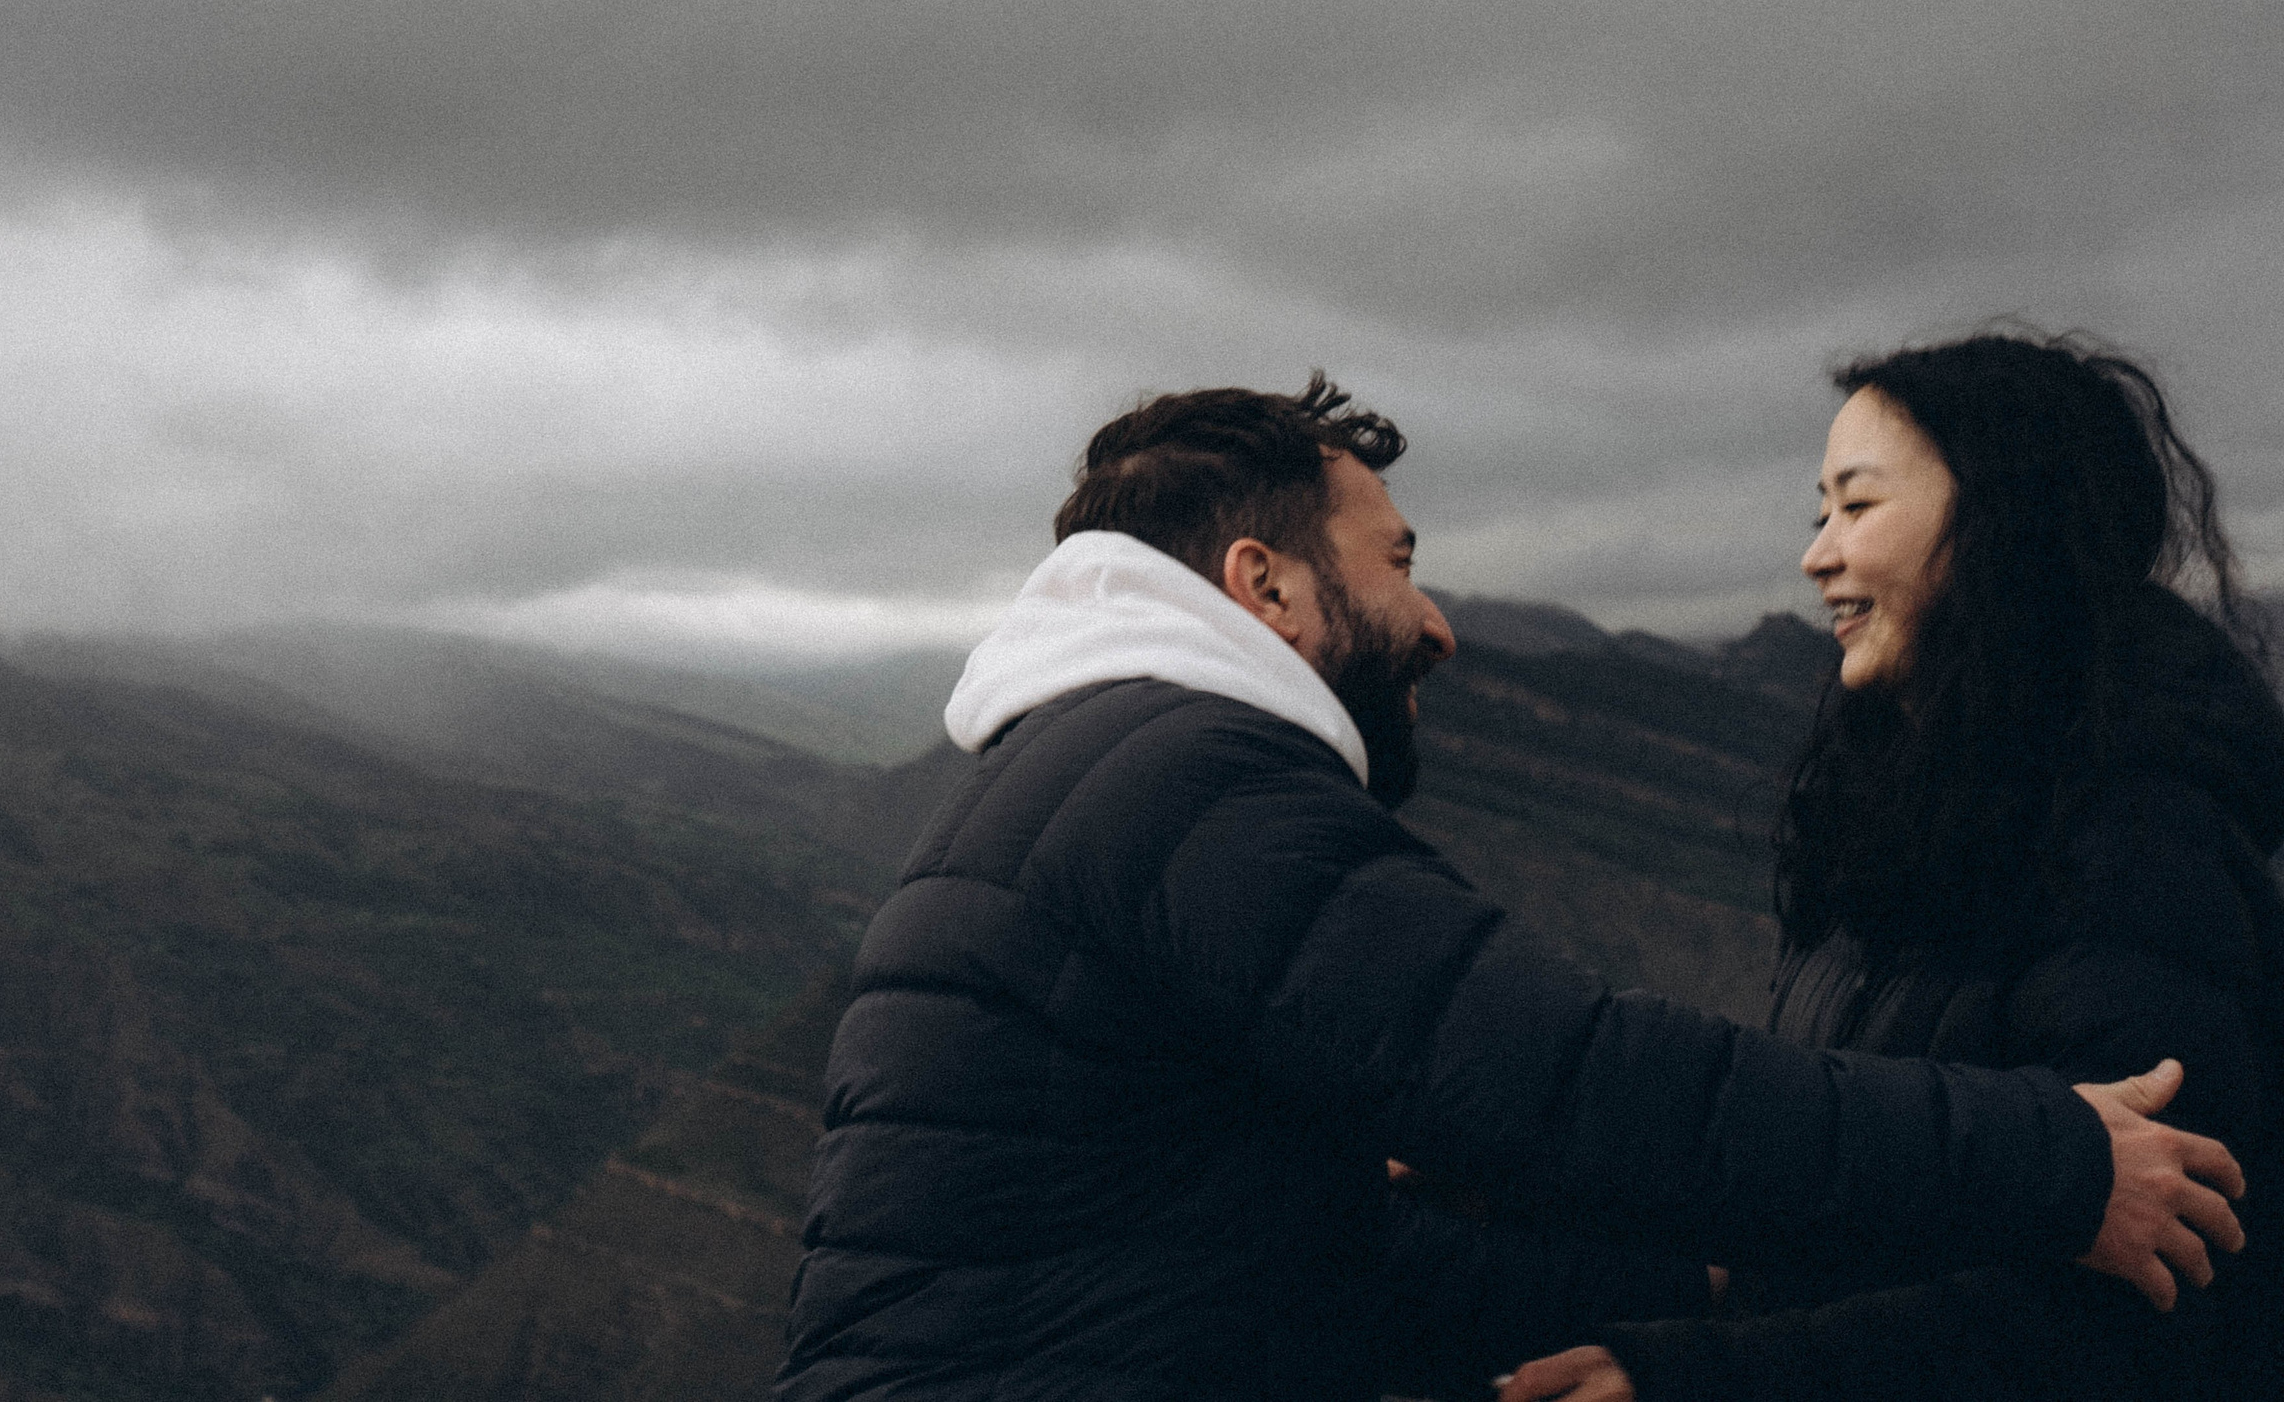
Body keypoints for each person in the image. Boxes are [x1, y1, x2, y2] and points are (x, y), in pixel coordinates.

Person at [778, 375, 2245, 1402]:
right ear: (1265, 584)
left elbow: (1318, 1261)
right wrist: (2050, 1158)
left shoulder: (1100, 763)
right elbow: (1557, 1073)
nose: (1436, 620)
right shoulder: (1194, 781)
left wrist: (1708, 1297)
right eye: (1399, 560)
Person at [1502, 332, 2284, 1402]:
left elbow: (2148, 1304)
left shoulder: (2137, 846)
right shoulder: (1910, 821)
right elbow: (1837, 1184)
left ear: (2007, 521)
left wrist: (1704, 1377)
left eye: (1856, 507)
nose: (1817, 555)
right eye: (1817, 512)